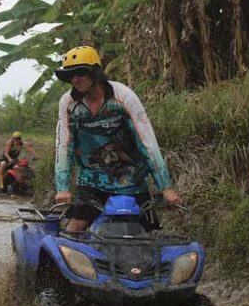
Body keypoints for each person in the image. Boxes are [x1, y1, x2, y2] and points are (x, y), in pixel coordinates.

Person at [53, 46, 181, 232]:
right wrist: (62, 188)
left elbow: (147, 143)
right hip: (91, 180)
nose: (75, 79)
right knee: (74, 230)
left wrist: (166, 187)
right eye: (70, 75)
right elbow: (64, 145)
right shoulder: (68, 103)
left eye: (80, 73)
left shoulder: (123, 97)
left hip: (131, 180)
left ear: (95, 72)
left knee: (151, 235)